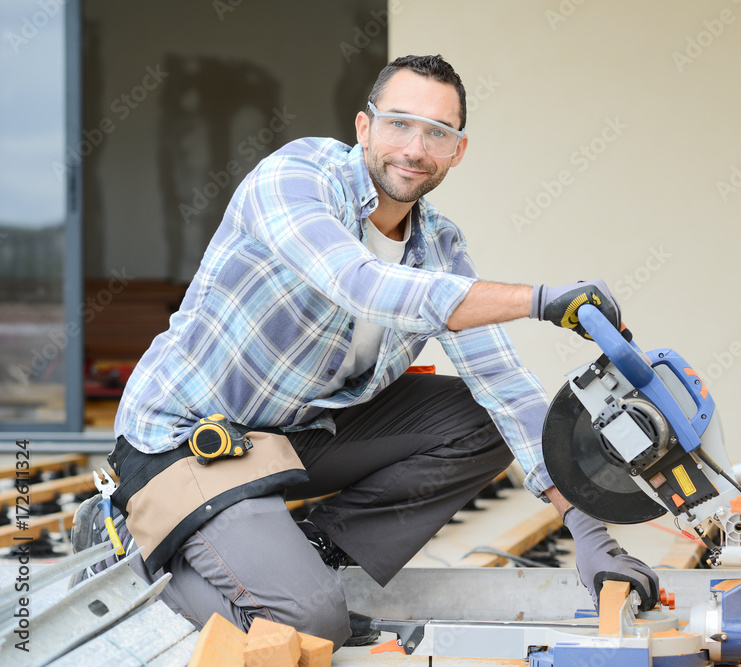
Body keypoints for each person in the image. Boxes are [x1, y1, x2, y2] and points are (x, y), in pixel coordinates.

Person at [75, 54, 658, 649]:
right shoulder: (297, 177)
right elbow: (359, 283)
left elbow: (505, 386)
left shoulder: (438, 245)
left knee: (482, 420)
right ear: (364, 127)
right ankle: (125, 558)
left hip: (296, 435)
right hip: (187, 440)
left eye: (438, 133)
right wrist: (538, 300)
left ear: (458, 151)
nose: (415, 147)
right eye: (399, 123)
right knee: (310, 628)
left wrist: (591, 533)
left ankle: (311, 551)